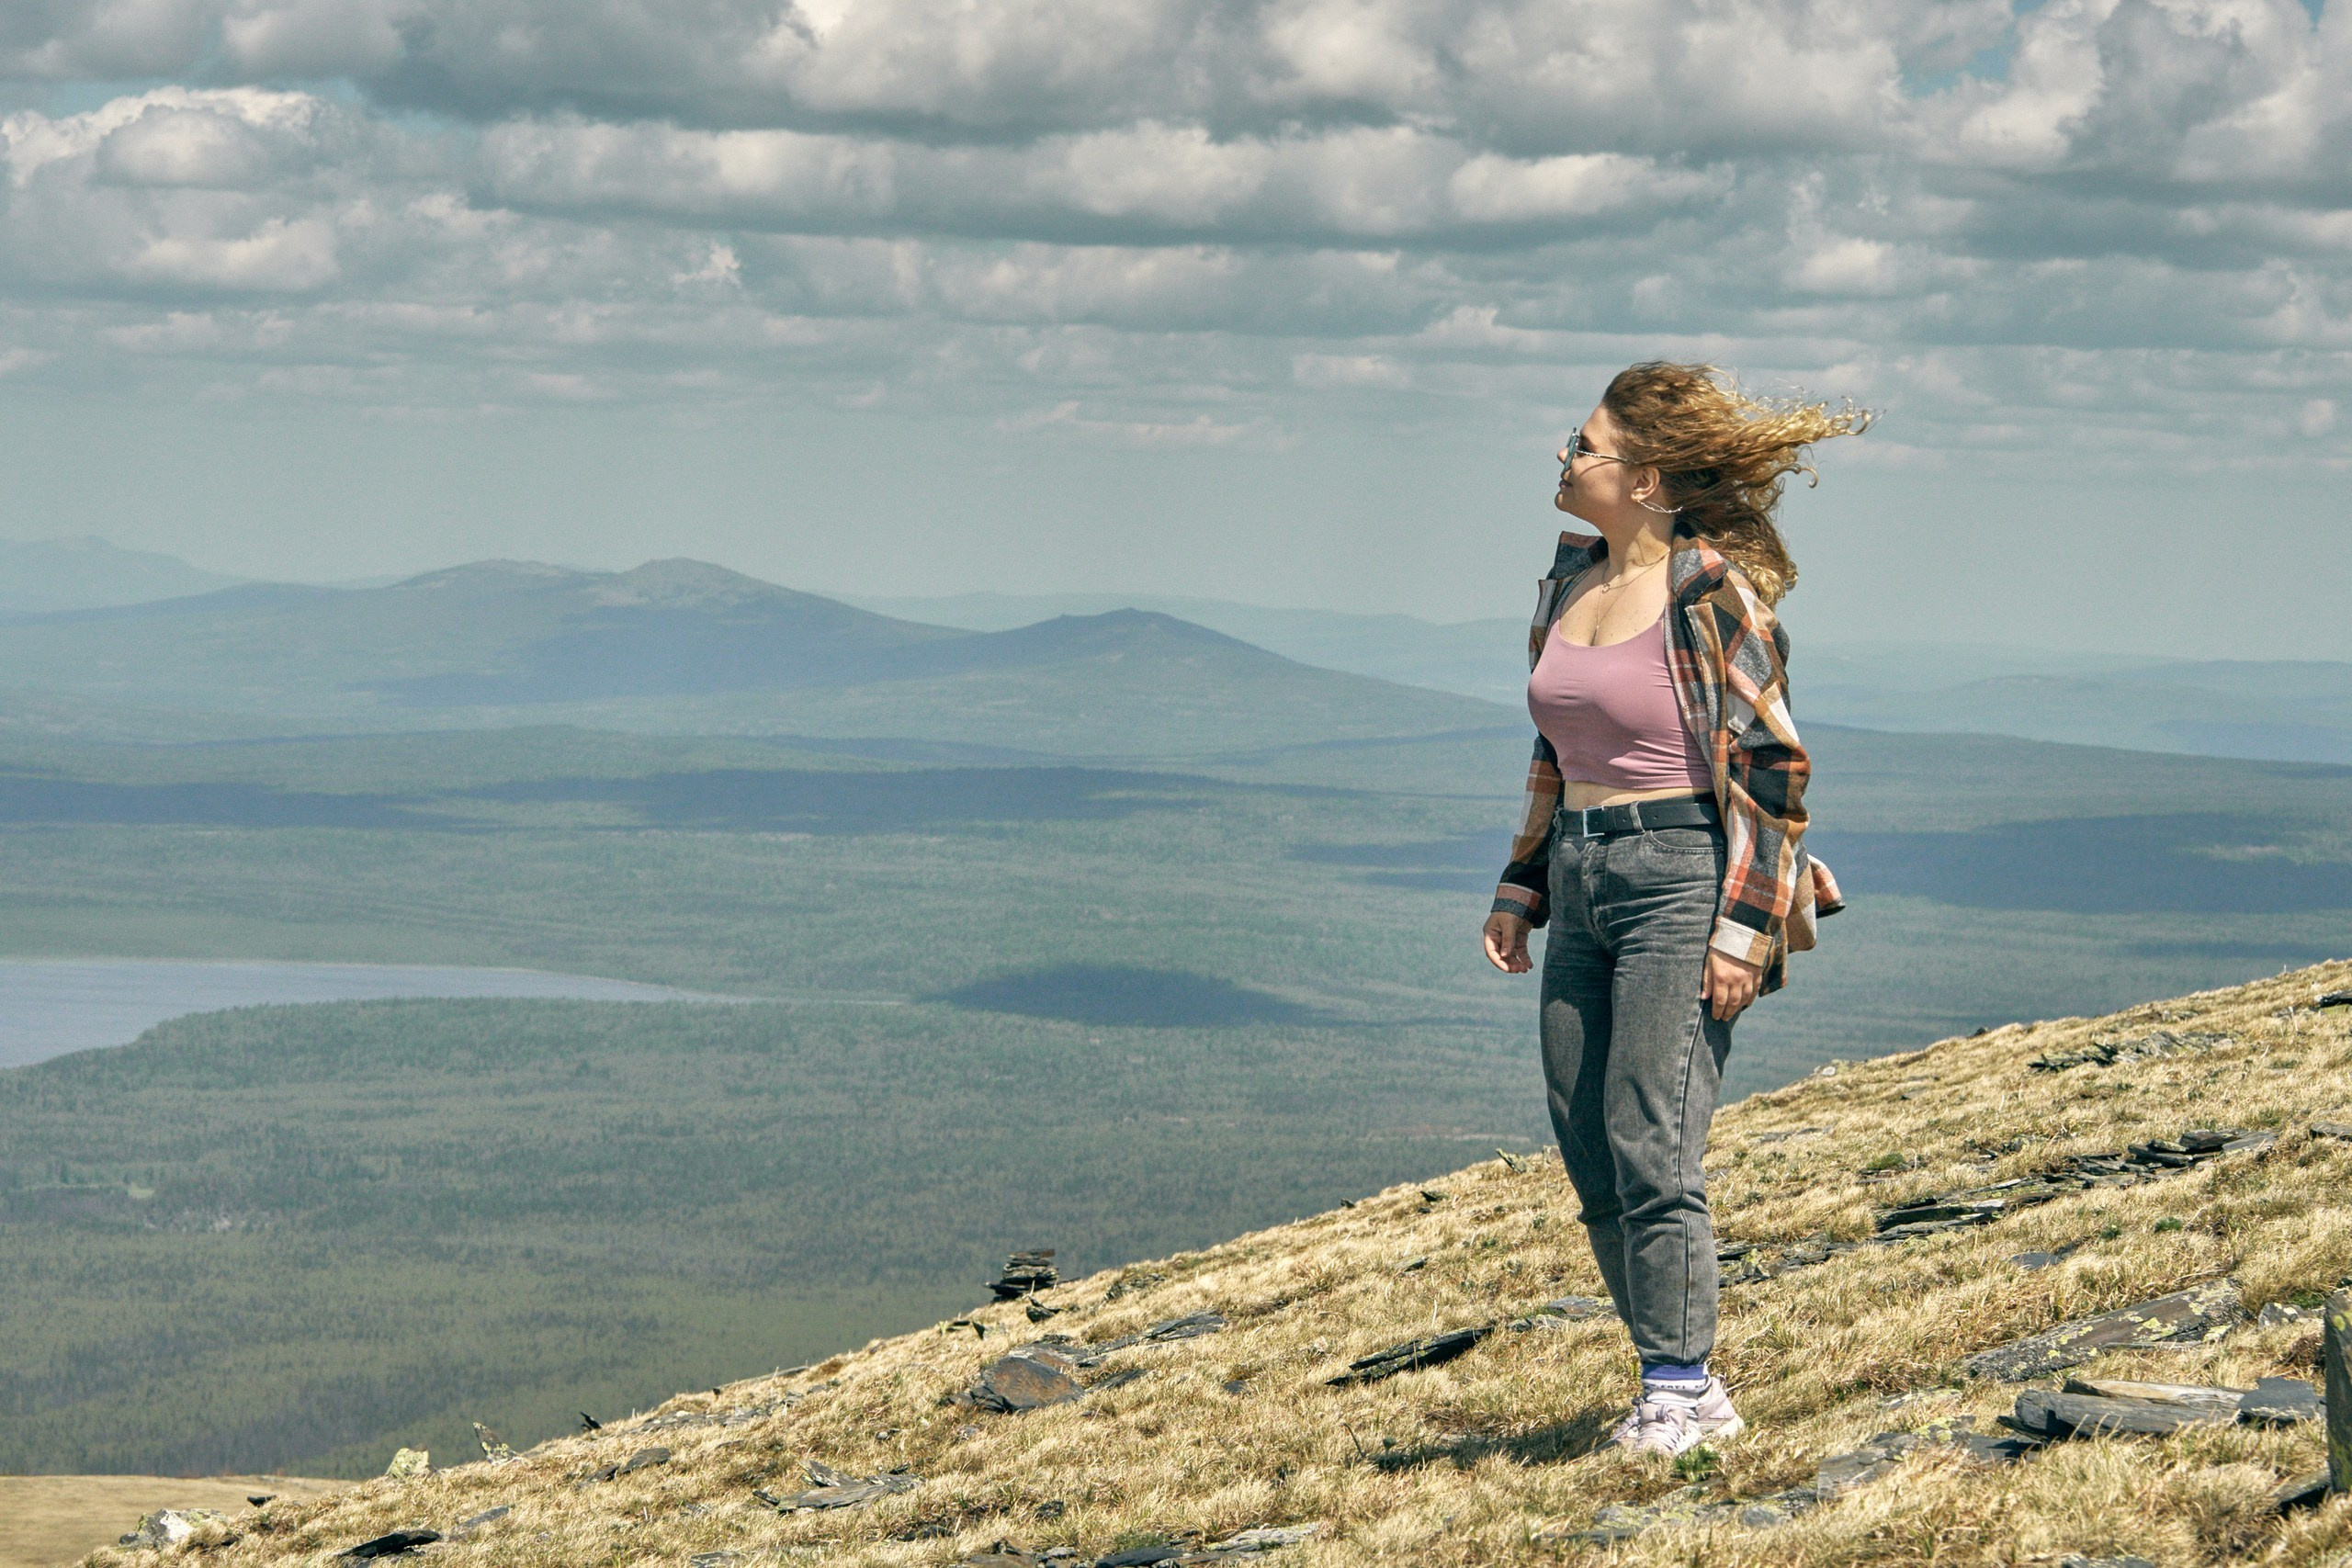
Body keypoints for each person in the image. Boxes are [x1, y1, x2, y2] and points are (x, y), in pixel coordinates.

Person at [1480, 362, 1864, 1457]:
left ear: (1644, 477)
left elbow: (1772, 763)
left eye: (1583, 445)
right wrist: (1523, 884)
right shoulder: (1568, 582)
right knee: (1587, 1142)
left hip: (1679, 875)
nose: (1564, 457)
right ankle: (1676, 1381)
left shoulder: (1710, 594)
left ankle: (1681, 1390)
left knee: (1651, 1136)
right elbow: (1556, 750)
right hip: (1581, 872)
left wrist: (1741, 930)